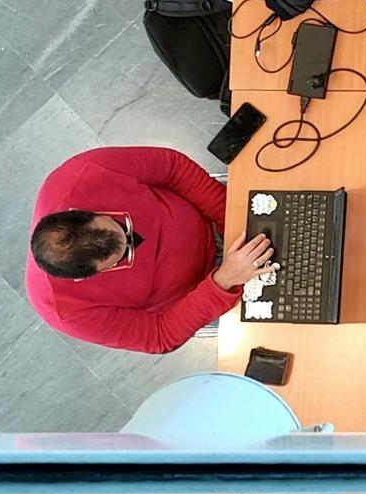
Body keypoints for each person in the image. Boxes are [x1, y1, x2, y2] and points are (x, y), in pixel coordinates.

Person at [26, 147, 272, 354]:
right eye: (124, 255)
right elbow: (159, 335)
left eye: (123, 226)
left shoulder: (79, 174)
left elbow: (173, 168)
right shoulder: (66, 312)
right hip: (204, 292)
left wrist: (233, 221)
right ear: (87, 276)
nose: (134, 240)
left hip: (212, 212)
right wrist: (223, 281)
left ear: (81, 212)